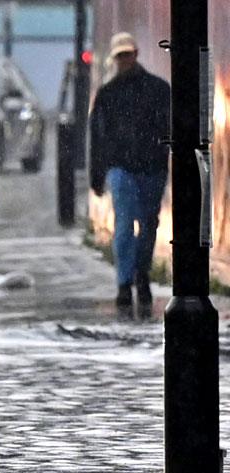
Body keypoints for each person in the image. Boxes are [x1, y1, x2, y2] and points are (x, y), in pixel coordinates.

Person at [88, 32, 171, 318]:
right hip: (126, 167)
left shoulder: (156, 90)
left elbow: (98, 137)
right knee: (126, 224)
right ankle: (128, 282)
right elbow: (97, 138)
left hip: (148, 167)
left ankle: (139, 276)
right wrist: (97, 175)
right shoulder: (113, 94)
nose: (124, 60)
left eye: (127, 54)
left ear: (134, 54)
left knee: (147, 225)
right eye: (121, 56)